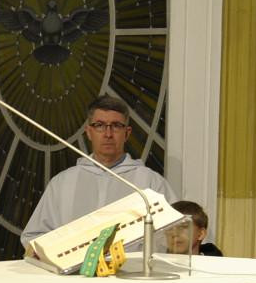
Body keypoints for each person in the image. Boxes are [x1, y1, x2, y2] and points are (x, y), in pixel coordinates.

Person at [20, 94, 176, 245]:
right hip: (75, 264)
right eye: (100, 125)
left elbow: (176, 235)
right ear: (89, 132)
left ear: (127, 133)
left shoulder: (150, 183)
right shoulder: (62, 183)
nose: (108, 134)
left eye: (116, 126)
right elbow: (34, 237)